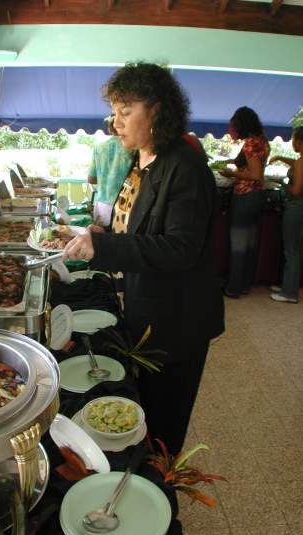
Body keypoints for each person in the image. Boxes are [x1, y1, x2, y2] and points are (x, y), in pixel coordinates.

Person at [63, 63, 224, 456]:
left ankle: (159, 486)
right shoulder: (145, 160)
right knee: (145, 406)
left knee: (165, 419)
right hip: (146, 304)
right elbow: (140, 229)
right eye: (114, 112)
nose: (116, 122)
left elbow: (179, 248)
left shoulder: (186, 168)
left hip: (176, 321)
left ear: (157, 109)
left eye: (126, 110)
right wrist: (105, 235)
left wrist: (104, 249)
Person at [219, 107, 270, 298]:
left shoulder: (250, 142)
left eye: (234, 125)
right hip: (258, 197)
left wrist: (231, 173)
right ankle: (245, 284)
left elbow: (255, 175)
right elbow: (254, 166)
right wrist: (235, 161)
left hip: (245, 195)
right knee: (249, 244)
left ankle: (233, 288)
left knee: (238, 245)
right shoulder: (262, 140)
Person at [268, 126, 303, 303]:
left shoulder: (300, 162)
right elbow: (296, 163)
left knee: (291, 251)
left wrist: (281, 182)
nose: (292, 143)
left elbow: (296, 190)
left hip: (296, 207)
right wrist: (281, 157)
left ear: (299, 141)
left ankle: (289, 293)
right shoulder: (299, 160)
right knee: (296, 249)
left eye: (293, 139)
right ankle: (289, 284)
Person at [88, 117, 133, 226]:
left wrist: (105, 176)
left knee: (99, 240)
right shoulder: (132, 148)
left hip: (102, 203)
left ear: (110, 129)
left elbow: (91, 179)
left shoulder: (99, 148)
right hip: (123, 204)